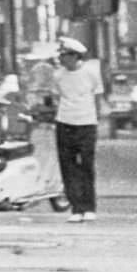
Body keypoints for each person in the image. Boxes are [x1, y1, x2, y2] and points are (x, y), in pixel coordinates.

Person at [53, 36, 103, 223]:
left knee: (86, 166)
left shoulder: (91, 72)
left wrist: (96, 118)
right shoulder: (58, 75)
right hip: (65, 121)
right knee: (68, 166)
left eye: (65, 55)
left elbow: (98, 96)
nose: (61, 59)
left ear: (75, 56)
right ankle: (76, 207)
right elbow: (58, 96)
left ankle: (89, 206)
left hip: (86, 122)